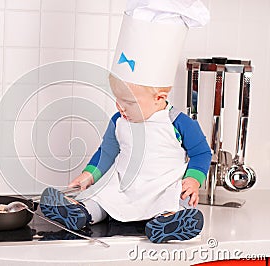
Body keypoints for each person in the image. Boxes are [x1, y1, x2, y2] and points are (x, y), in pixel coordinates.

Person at [40, 0, 212, 243]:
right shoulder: (118, 120)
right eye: (117, 100)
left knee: (176, 198)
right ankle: (80, 213)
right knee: (103, 196)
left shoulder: (179, 123)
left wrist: (193, 180)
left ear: (159, 98)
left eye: (128, 103)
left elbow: (202, 153)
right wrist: (89, 175)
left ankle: (168, 222)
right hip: (124, 184)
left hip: (163, 186)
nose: (120, 108)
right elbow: (107, 152)